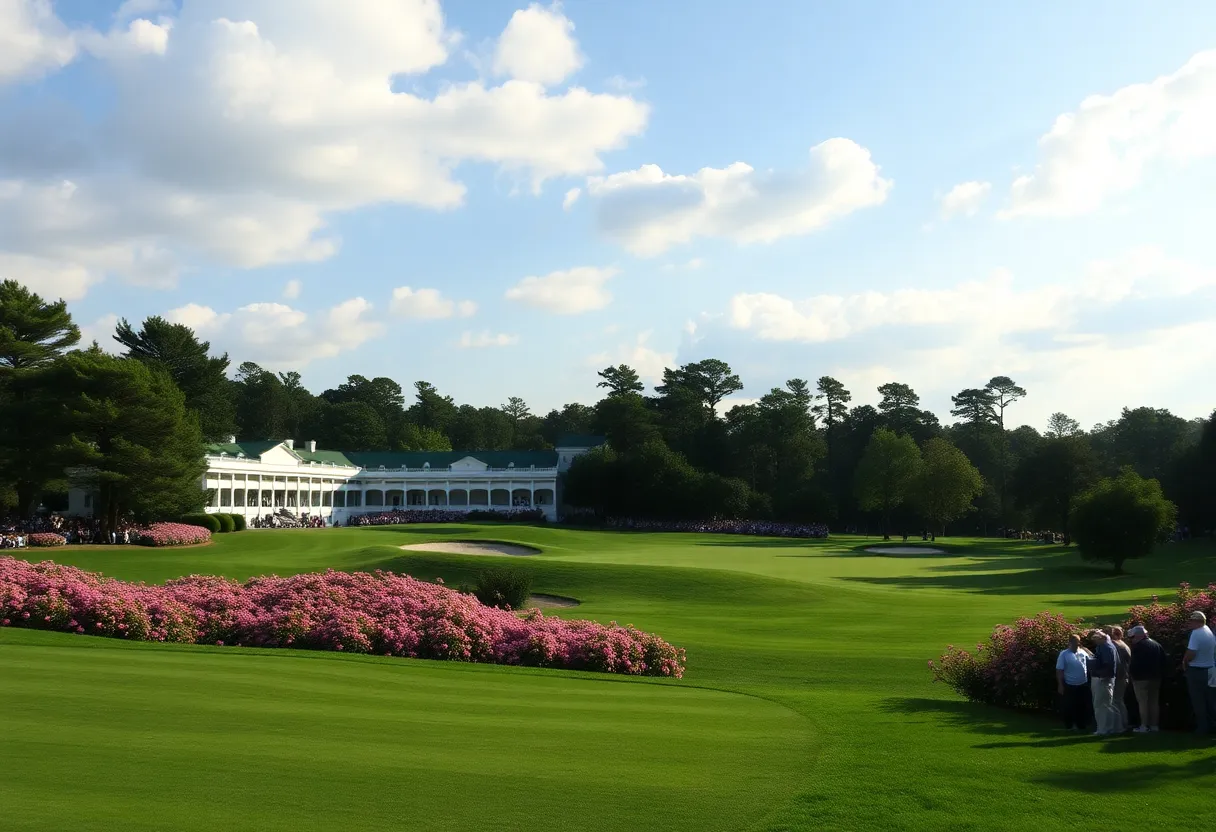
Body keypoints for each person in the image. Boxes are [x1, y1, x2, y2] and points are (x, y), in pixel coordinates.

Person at [1127, 625, 1167, 733]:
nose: (1131, 640)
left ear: (1139, 636)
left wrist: (1132, 676)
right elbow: (1164, 661)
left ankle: (1144, 726)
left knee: (1142, 702)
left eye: (1132, 637)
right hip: (1156, 677)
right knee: (1154, 702)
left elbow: (1134, 664)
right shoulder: (1156, 644)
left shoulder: (1138, 647)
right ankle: (1154, 725)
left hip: (1141, 678)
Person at [1183, 610, 1216, 736]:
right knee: (1211, 700)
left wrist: (1184, 661)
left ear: (1197, 622)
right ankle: (1213, 726)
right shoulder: (1208, 631)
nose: (1189, 623)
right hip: (1211, 669)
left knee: (1198, 701)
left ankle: (1202, 728)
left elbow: (1191, 653)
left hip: (1197, 670)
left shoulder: (1196, 633)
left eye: (1191, 621)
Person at [1055, 634, 1092, 731]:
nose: (1077, 644)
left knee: (1082, 705)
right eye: (1075, 642)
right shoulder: (1064, 654)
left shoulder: (1083, 652)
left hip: (1083, 683)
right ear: (1070, 642)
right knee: (1069, 705)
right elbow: (1059, 670)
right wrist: (1060, 685)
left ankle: (1081, 725)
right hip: (1070, 684)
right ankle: (1069, 725)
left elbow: (1091, 661)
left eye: (1078, 641)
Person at [1088, 629, 1120, 736]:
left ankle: (1103, 729)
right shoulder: (1108, 646)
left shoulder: (1106, 647)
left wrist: (1098, 672)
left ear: (1101, 638)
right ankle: (1114, 727)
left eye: (1096, 640)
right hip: (1108, 678)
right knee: (1107, 704)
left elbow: (1108, 665)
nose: (1095, 642)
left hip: (1104, 679)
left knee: (1100, 705)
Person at [1107, 625, 1133, 732]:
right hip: (1124, 675)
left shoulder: (1114, 645)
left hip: (1119, 676)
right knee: (1119, 700)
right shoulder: (1124, 644)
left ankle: (1120, 724)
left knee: (1116, 701)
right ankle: (1123, 723)